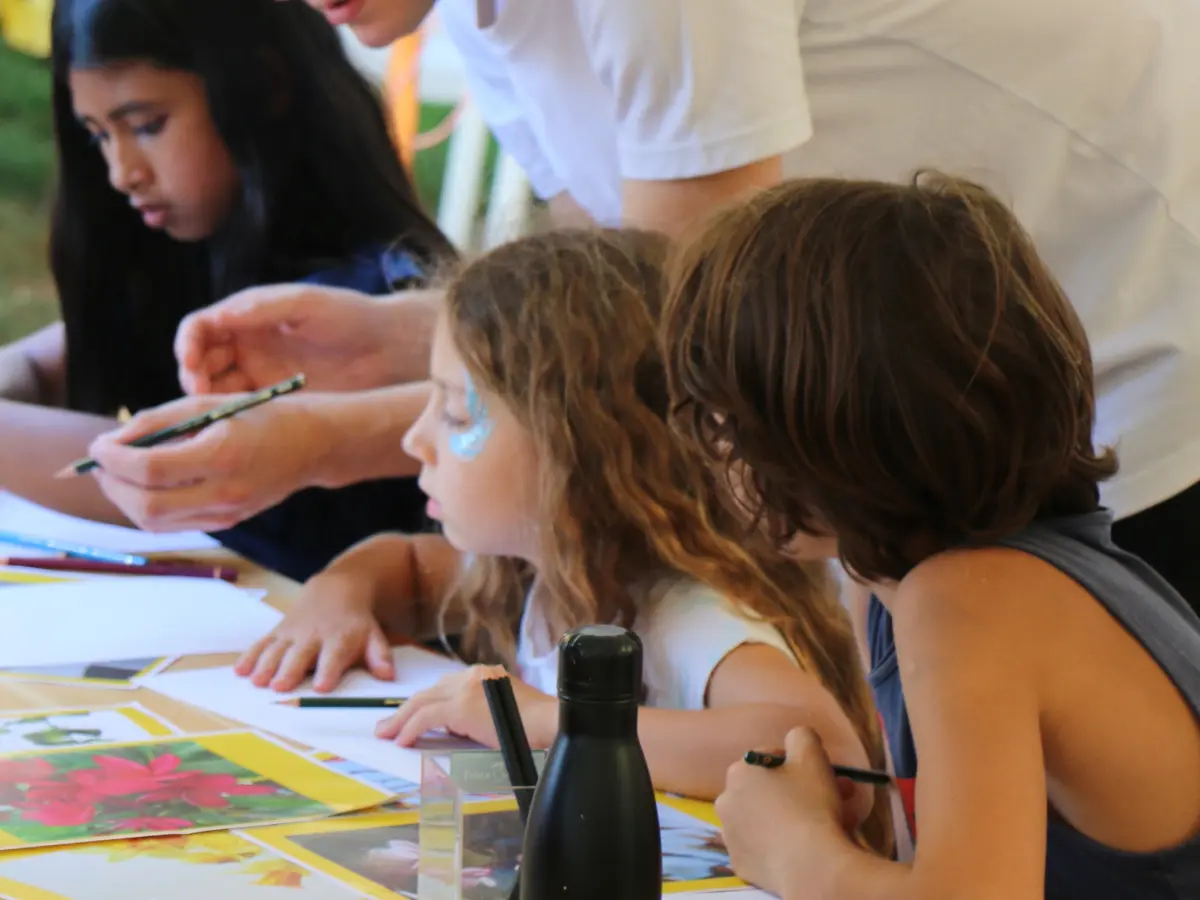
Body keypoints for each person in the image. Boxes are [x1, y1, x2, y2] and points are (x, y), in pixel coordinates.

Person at [83, 0, 1200, 609]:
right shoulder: (470, 15)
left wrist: (340, 443)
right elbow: (604, 273)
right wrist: (397, 335)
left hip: (1129, 357)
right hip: (923, 388)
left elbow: (665, 324)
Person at [234, 228, 892, 844]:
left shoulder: (681, 610)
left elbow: (826, 756)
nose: (415, 439)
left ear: (580, 449)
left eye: (457, 410)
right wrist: (337, 593)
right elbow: (405, 564)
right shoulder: (544, 572)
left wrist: (546, 723)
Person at [660, 174, 1200, 898]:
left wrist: (796, 851)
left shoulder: (974, 601)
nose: (716, 451)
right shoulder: (890, 586)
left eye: (725, 418)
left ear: (827, 432)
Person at [0, 0, 453, 581]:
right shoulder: (190, 246)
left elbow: (172, 467)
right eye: (98, 138)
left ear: (263, 86)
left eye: (146, 126)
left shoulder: (365, 290)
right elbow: (47, 362)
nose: (122, 171)